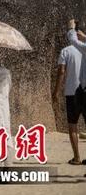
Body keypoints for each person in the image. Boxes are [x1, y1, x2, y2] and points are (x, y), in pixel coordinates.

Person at [54, 27, 84, 165]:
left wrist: (56, 92)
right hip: (85, 91)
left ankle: (77, 157)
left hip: (72, 93)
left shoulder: (65, 51)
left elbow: (61, 72)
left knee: (72, 126)